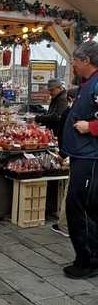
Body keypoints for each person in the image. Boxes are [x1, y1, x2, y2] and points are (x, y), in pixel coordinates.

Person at [62, 41, 98, 279]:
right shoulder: (87, 84)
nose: (72, 64)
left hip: (90, 157)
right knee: (81, 206)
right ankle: (86, 257)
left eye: (75, 60)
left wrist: (91, 127)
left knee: (81, 207)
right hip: (82, 155)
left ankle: (89, 261)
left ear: (86, 61)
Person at [51, 88, 78, 238]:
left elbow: (66, 136)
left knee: (72, 191)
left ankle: (64, 225)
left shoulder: (71, 113)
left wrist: (63, 154)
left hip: (77, 157)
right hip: (82, 157)